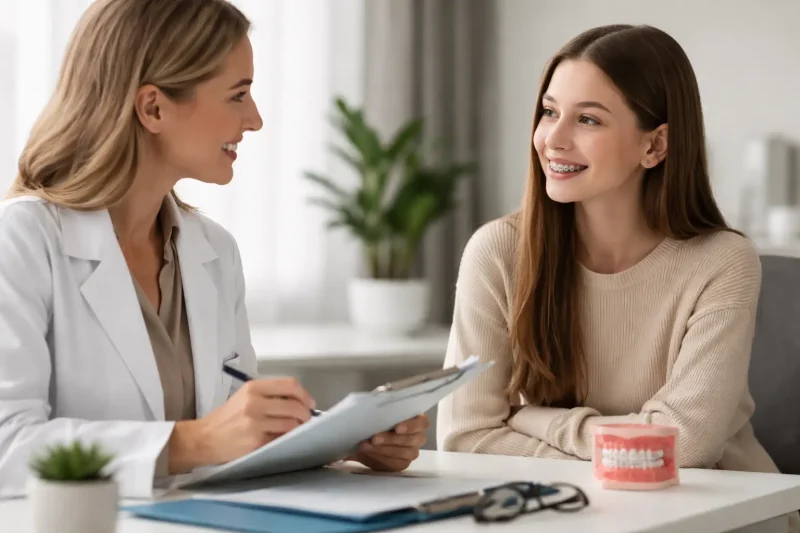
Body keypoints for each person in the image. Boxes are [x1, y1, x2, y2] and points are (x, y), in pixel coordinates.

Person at [0, 0, 427, 499]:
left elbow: (234, 428)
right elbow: (8, 446)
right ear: (153, 107)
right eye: (238, 95)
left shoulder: (212, 250)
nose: (256, 119)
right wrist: (192, 441)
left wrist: (342, 437)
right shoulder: (23, 240)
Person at [437, 22, 799, 532]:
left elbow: (684, 446)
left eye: (587, 119)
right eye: (548, 112)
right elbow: (464, 439)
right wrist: (628, 459)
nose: (553, 139)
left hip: (723, 517)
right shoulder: (497, 252)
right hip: (569, 516)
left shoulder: (722, 260)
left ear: (655, 146)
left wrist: (529, 419)